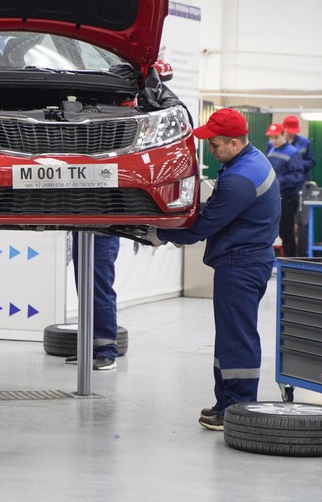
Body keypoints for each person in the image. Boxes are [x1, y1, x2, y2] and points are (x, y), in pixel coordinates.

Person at [148, 108, 280, 431]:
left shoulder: (239, 179)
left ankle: (238, 407)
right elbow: (219, 212)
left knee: (236, 337)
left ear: (235, 143)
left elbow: (204, 226)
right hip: (246, 259)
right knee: (229, 335)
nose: (211, 149)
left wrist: (160, 233)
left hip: (241, 263)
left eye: (215, 144)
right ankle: (226, 402)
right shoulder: (250, 162)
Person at [66, 234, 119, 370]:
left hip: (103, 231)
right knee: (84, 287)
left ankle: (106, 351)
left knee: (100, 289)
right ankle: (89, 350)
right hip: (81, 230)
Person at [266, 123, 305, 257]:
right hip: (274, 196)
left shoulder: (293, 153)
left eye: (276, 137)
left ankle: (289, 259)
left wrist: (280, 181)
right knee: (273, 229)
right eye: (271, 137)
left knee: (286, 231)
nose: (273, 140)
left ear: (284, 135)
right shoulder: (271, 149)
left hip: (288, 197)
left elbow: (298, 176)